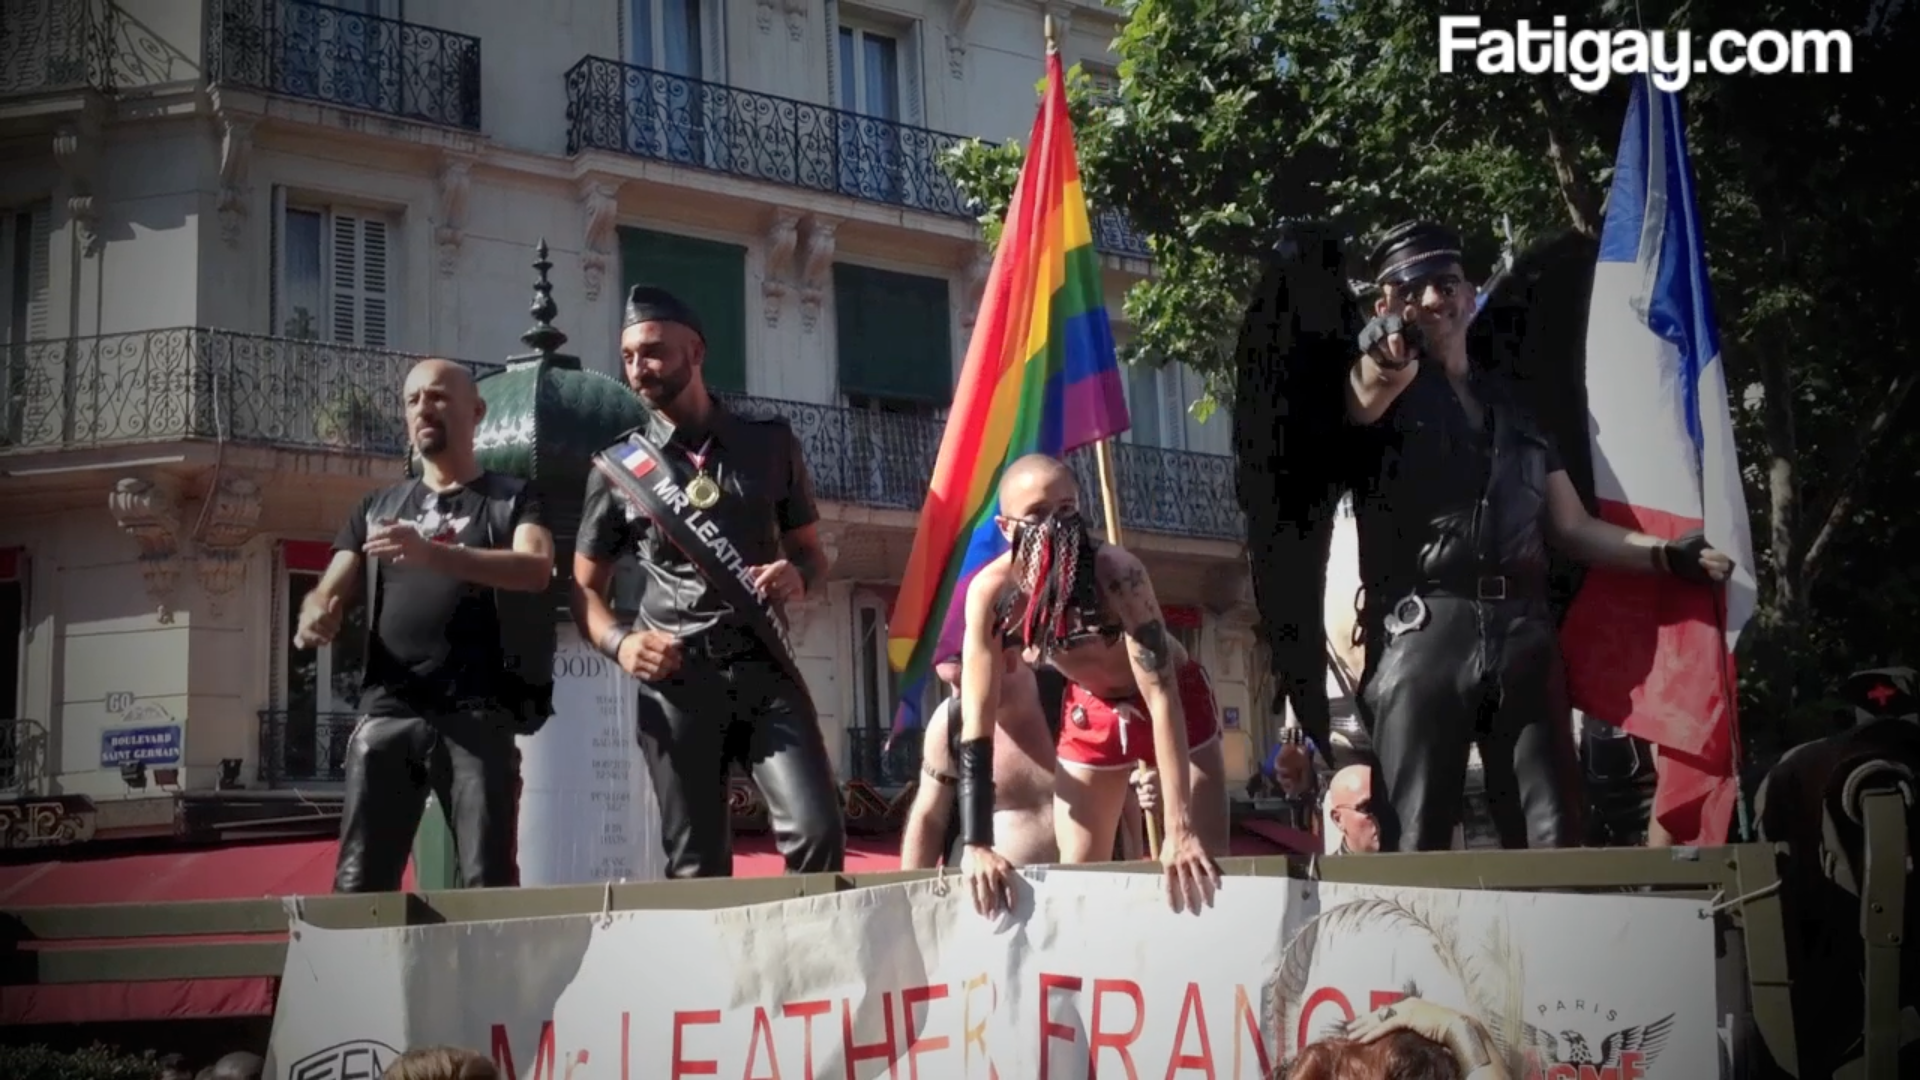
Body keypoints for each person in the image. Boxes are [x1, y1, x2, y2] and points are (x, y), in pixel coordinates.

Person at [1346, 221, 1735, 852]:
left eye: (1446, 284)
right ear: (1387, 302)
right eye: (1413, 288)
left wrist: (1666, 555)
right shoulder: (1386, 390)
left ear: (1471, 295)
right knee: (1414, 845)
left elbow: (1573, 528)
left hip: (1524, 633)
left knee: (1555, 835)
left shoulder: (1515, 408)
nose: (1434, 300)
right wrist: (1385, 352)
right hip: (1425, 632)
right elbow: (1365, 394)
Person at [571, 285, 841, 878]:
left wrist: (797, 574)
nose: (638, 370)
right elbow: (584, 589)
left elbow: (815, 556)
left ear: (695, 351)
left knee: (819, 834)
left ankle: (807, 968)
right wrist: (621, 643)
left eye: (653, 353)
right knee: (697, 869)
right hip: (677, 680)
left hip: (765, 666)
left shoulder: (771, 443)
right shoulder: (619, 469)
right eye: (629, 358)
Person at [296, 359, 555, 892]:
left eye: (437, 397)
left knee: (488, 882)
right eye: (413, 401)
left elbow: (535, 568)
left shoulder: (514, 497)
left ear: (475, 411)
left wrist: (434, 553)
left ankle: (488, 976)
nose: (423, 410)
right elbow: (330, 585)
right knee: (358, 885)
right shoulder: (377, 508)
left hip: (478, 714)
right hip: (389, 711)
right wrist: (316, 612)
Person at [954, 453, 1227, 915]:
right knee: (1079, 873)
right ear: (1006, 527)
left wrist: (1178, 829)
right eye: (1037, 514)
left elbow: (1163, 696)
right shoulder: (992, 594)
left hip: (1172, 699)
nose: (1056, 524)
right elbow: (976, 721)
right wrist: (976, 842)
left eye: (1066, 508)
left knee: (1205, 865)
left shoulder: (1118, 573)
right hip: (1092, 706)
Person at [903, 649, 1162, 869]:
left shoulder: (1079, 701)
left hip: (1089, 900)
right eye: (950, 685)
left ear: (1008, 661)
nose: (957, 696)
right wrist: (908, 905)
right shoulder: (950, 722)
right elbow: (929, 818)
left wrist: (1139, 869)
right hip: (995, 913)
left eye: (963, 681)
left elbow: (1124, 798)